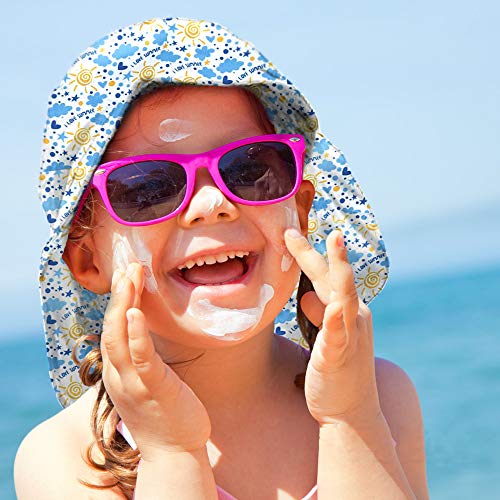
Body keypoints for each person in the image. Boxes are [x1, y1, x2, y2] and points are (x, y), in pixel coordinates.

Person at [14, 17, 428, 499]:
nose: (211, 204)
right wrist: (172, 454)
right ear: (87, 260)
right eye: (148, 187)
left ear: (300, 211)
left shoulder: (380, 396)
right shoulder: (66, 457)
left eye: (250, 168)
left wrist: (350, 420)